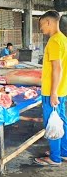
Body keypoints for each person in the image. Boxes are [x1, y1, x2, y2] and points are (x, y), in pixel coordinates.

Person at [34, 10, 67, 166]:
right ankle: (63, 151)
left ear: (48, 22)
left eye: (41, 25)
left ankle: (55, 158)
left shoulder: (54, 41)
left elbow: (57, 68)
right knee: (61, 121)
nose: (41, 29)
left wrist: (53, 93)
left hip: (52, 91)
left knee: (52, 123)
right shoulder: (63, 39)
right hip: (62, 90)